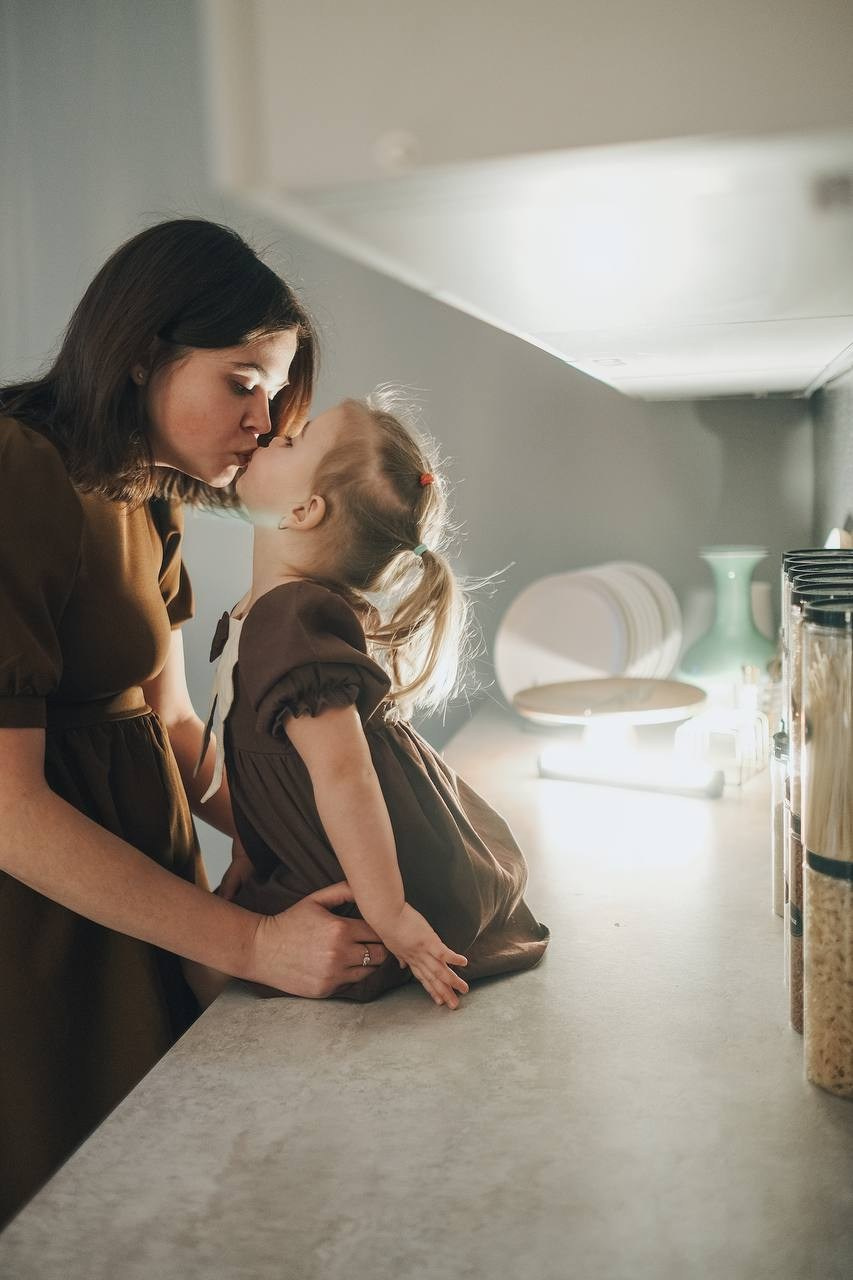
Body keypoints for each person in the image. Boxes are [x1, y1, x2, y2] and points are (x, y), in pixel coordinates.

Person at [0, 219, 391, 1225]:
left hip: (153, 912)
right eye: (245, 378)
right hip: (45, 947)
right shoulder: (16, 472)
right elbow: (9, 808)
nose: (264, 420)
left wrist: (311, 859)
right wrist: (255, 944)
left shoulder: (143, 495)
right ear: (142, 352)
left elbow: (174, 726)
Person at [196, 393, 550, 1008]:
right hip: (320, 854)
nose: (274, 434)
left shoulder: (292, 620)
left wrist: (390, 914)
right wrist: (253, 850)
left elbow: (344, 774)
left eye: (293, 443)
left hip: (380, 874)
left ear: (304, 510)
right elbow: (261, 753)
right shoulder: (270, 613)